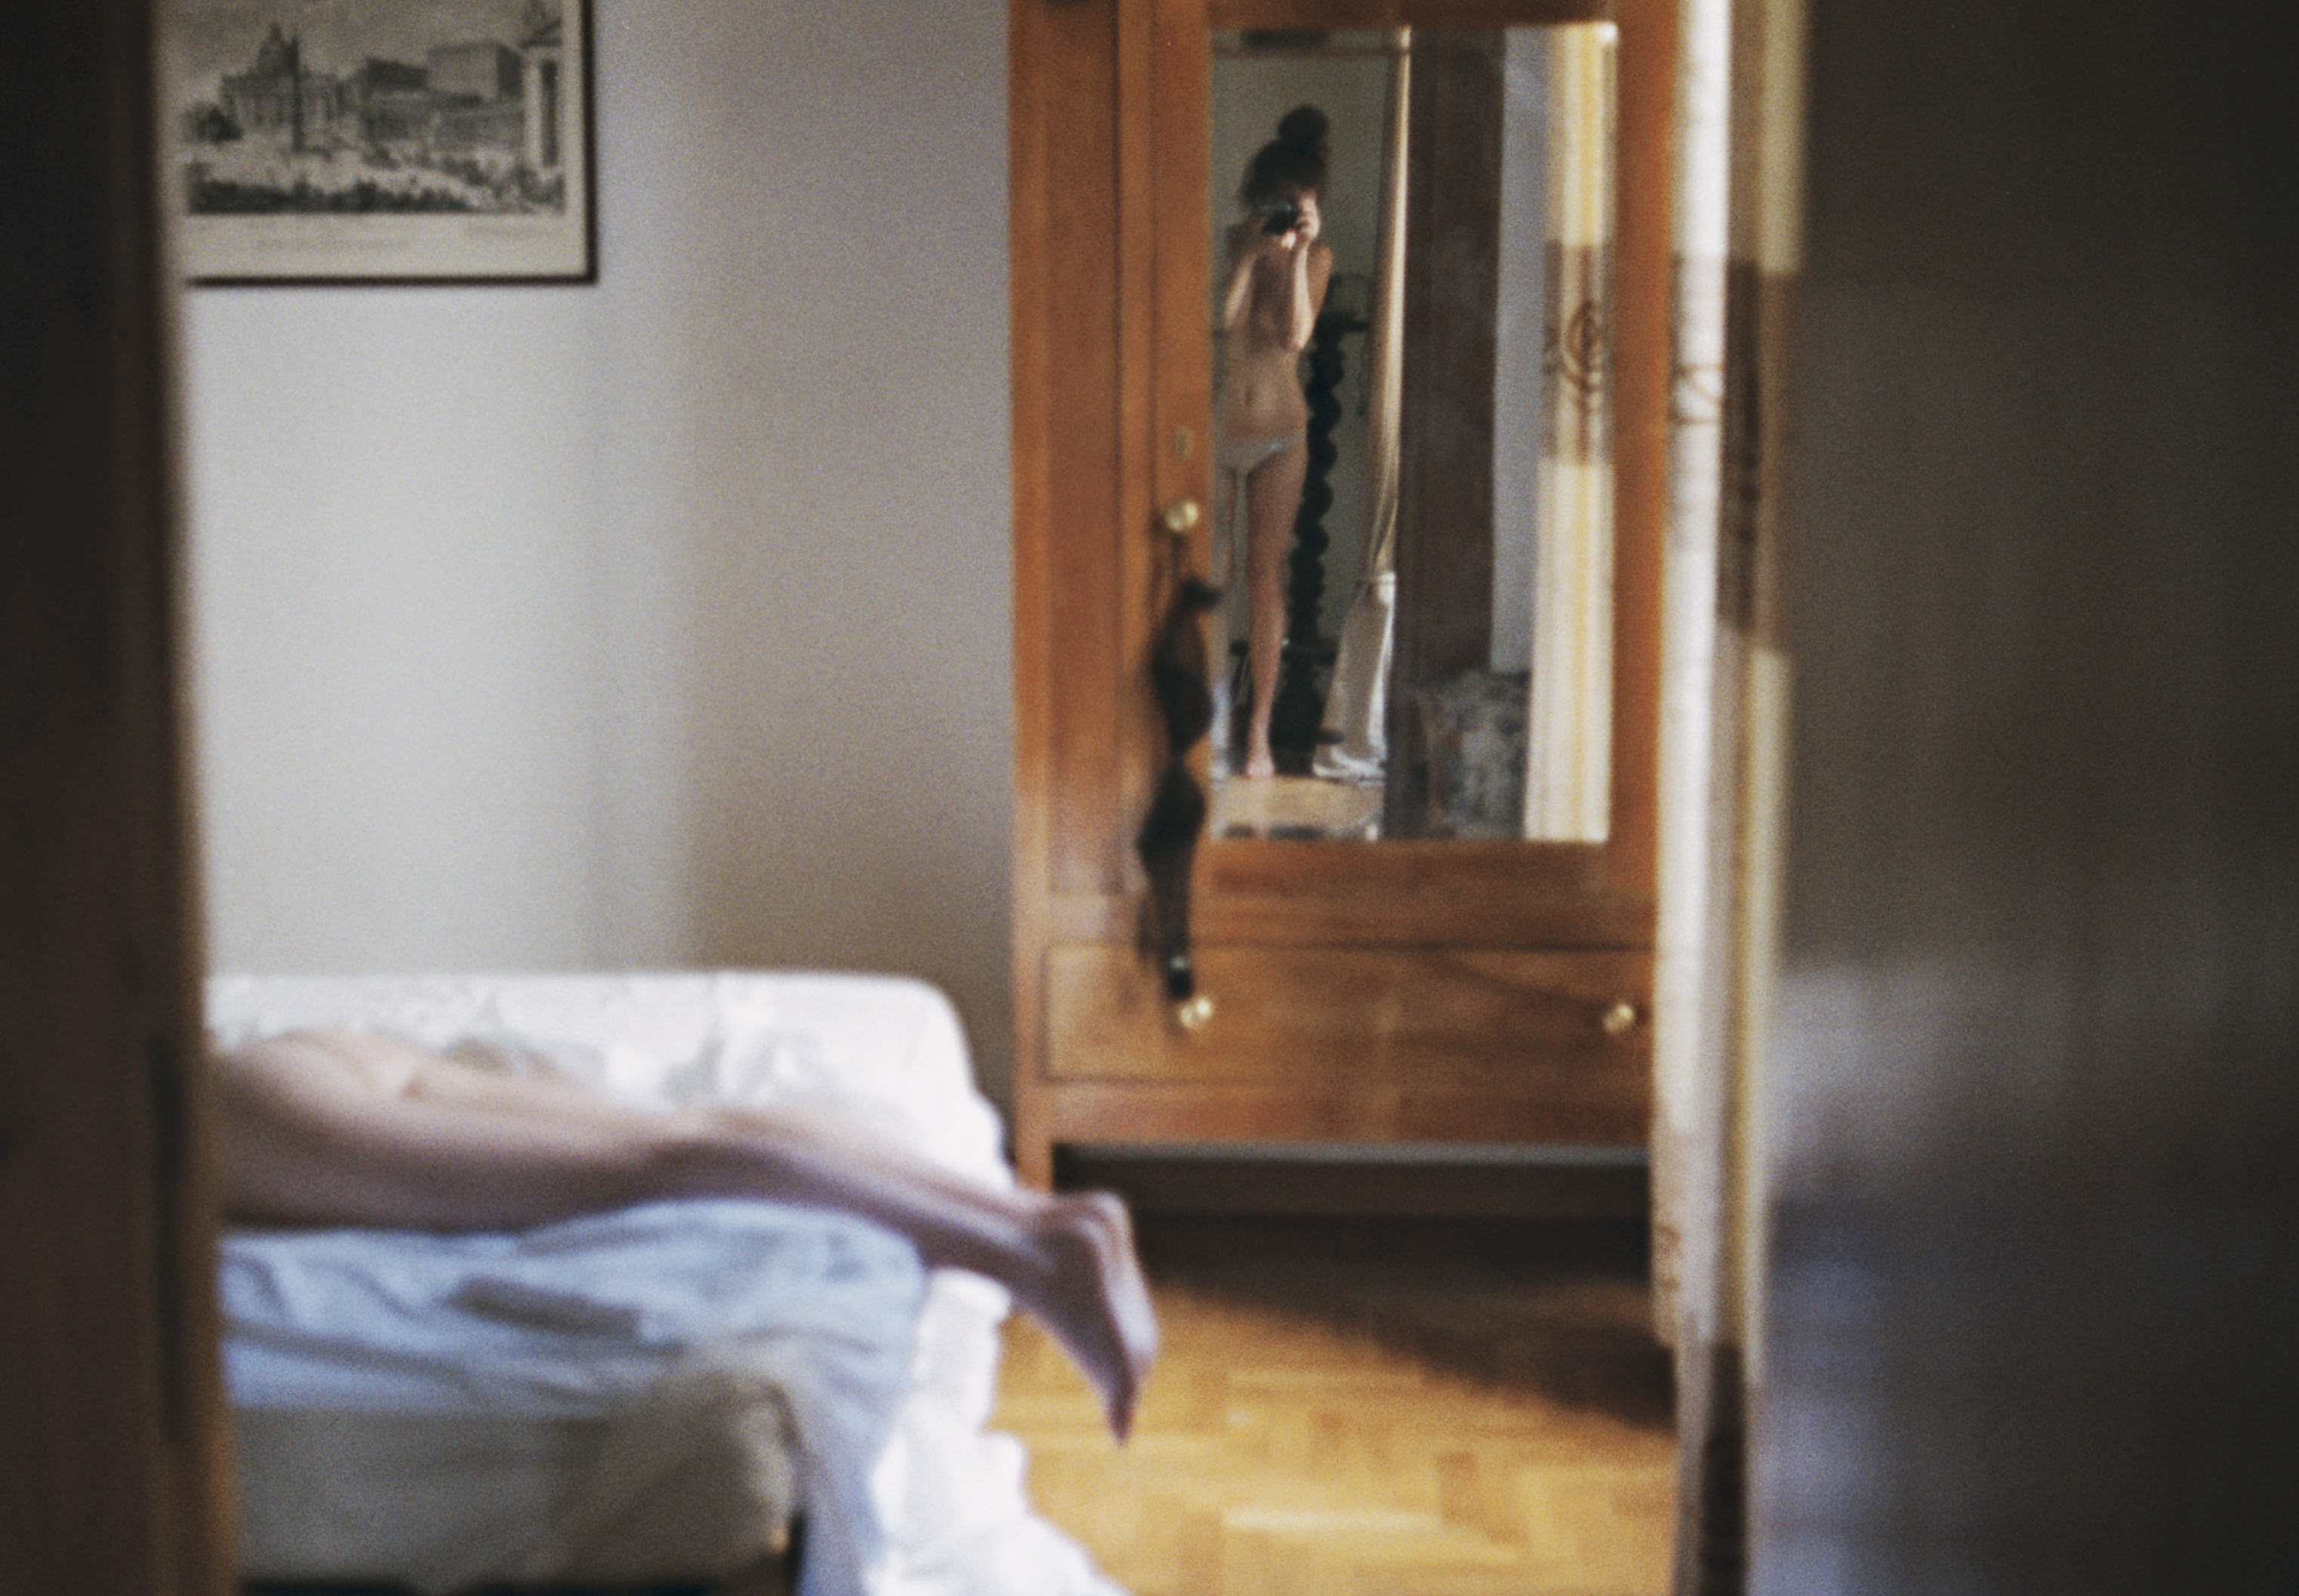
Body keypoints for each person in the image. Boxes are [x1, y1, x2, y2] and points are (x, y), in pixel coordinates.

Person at [210, 1026, 1160, 1441]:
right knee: (687, 1134)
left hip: (247, 1116)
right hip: (300, 1061)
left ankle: (1027, 1253)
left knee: (653, 1166)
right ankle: (1038, 1218)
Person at [1213, 104, 1334, 779]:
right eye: (1278, 204)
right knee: (1212, 577)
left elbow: (1293, 337)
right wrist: (1251, 258)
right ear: (1260, 198)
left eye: (1299, 207)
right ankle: (1210, 724)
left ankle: (1257, 731)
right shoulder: (1236, 240)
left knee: (1266, 581)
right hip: (1219, 431)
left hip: (1281, 436)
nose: (1286, 216)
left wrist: (1295, 260)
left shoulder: (1318, 257)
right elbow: (1222, 320)